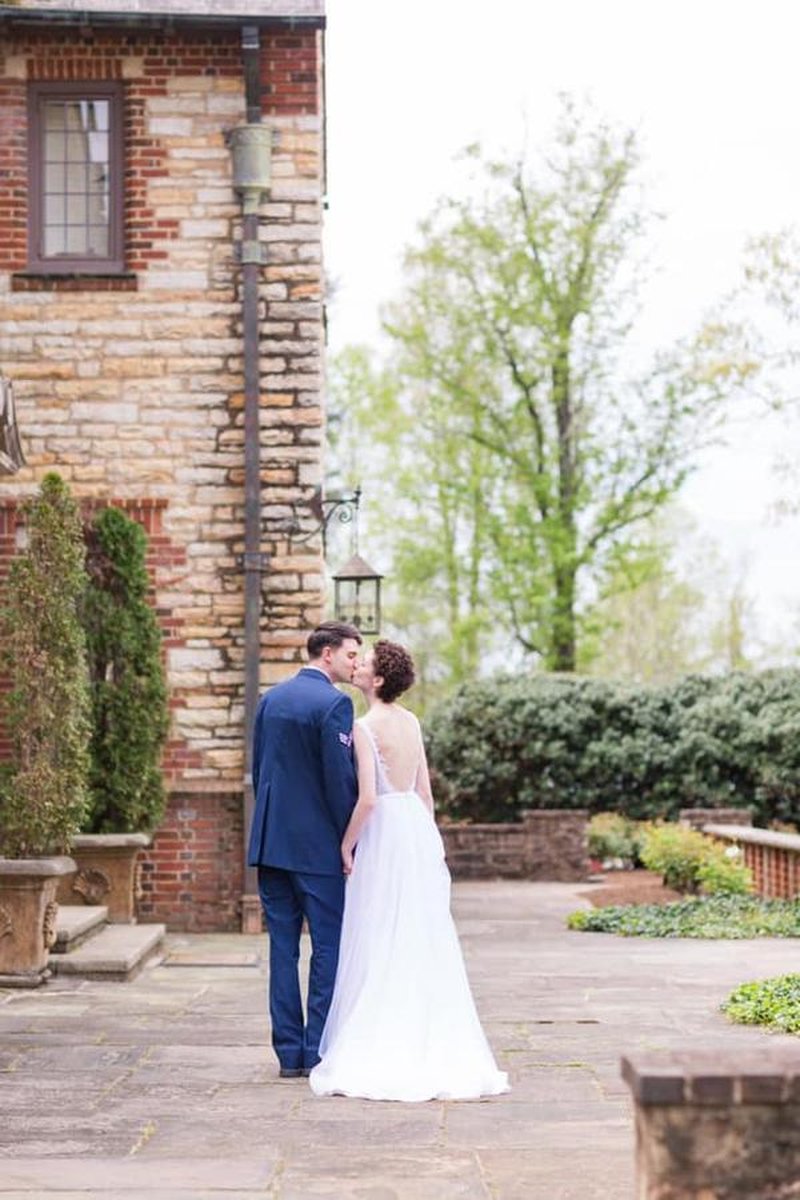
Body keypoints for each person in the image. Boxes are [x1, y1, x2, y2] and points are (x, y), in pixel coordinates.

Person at [309, 640, 509, 1102]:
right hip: (414, 832)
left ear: (378, 680)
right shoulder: (413, 722)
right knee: (420, 931)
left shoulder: (363, 727)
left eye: (367, 664)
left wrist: (345, 844)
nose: (358, 666)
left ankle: (384, 1038)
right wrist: (430, 841)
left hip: (382, 834)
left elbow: (367, 799)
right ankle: (427, 1033)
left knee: (379, 930)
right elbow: (424, 794)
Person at [248, 620, 362, 1078]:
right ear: (327, 652)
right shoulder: (336, 704)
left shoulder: (269, 700)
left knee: (281, 950)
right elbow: (340, 782)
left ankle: (288, 1055)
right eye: (352, 654)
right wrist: (349, 841)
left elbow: (261, 773)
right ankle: (317, 1049)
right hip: (318, 852)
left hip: (272, 845)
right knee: (327, 948)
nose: (356, 663)